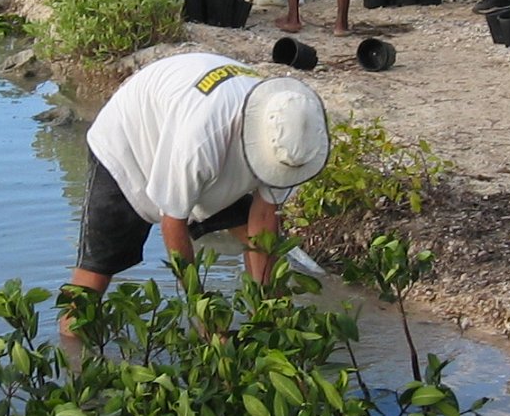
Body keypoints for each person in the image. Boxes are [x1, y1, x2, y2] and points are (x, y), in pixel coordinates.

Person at [66, 53, 330, 310]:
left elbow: (262, 220)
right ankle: (71, 344)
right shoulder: (201, 143)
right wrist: (201, 312)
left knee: (258, 246)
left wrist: (268, 310)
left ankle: (266, 308)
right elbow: (173, 223)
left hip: (211, 150)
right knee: (94, 278)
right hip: (130, 144)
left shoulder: (291, 137)